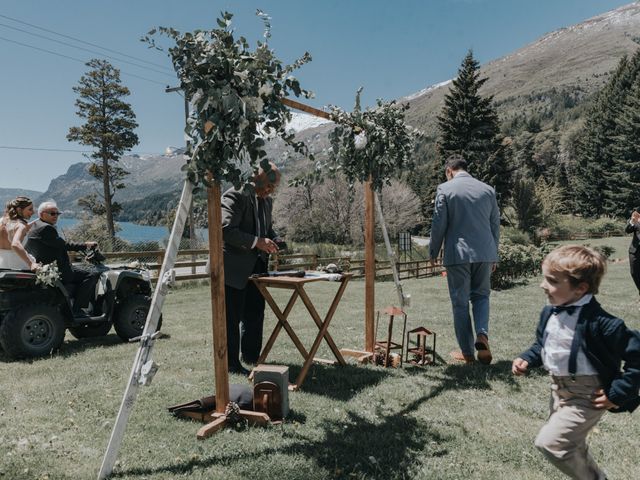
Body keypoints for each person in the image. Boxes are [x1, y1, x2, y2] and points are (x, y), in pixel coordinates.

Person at [512, 245, 640, 479]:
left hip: (588, 395)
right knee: (572, 446)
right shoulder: (550, 312)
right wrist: (527, 359)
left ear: (580, 288)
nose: (543, 285)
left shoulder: (604, 324)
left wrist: (619, 391)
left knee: (550, 443)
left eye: (552, 281)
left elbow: (637, 357)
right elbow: (543, 345)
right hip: (558, 391)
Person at [429, 154, 500, 364]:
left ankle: (468, 354)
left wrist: (433, 251)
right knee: (481, 296)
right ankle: (482, 335)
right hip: (485, 253)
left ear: (449, 171)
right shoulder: (488, 190)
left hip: (458, 253)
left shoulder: (445, 189)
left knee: (460, 303)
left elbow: (438, 223)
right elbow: (495, 224)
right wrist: (494, 253)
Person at [221, 163, 283, 375]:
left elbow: (266, 229)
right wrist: (258, 241)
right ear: (256, 179)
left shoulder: (267, 202)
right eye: (268, 186)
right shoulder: (235, 195)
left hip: (257, 266)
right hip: (233, 268)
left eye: (274, 187)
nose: (270, 191)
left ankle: (251, 356)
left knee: (255, 314)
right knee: (232, 317)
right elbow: (226, 230)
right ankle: (231, 363)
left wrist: (275, 239)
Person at [25, 201, 98, 313]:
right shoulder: (46, 228)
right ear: (42, 214)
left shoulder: (35, 226)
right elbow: (65, 245)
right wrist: (86, 245)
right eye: (52, 213)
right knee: (91, 275)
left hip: (45, 266)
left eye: (57, 213)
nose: (56, 216)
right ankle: (79, 309)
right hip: (58, 270)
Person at [0, 196, 39, 271]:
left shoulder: (2, 221)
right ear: (19, 210)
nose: (33, 212)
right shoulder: (20, 226)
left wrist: (39, 220)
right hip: (17, 266)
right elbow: (15, 244)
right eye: (30, 209)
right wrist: (31, 263)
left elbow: (14, 230)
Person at [625, 207, 640, 298]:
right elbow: (627, 230)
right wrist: (632, 222)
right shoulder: (635, 221)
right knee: (634, 273)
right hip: (634, 251)